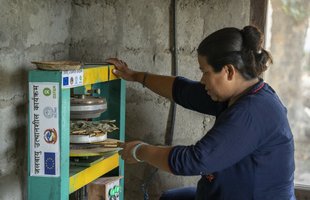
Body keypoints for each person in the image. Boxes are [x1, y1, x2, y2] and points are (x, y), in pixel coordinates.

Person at [106, 25, 295, 200]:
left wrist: (141, 151)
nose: (202, 80)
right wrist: (136, 76)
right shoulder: (239, 93)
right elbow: (183, 91)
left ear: (228, 71)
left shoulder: (252, 112)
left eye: (205, 72)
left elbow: (194, 160)